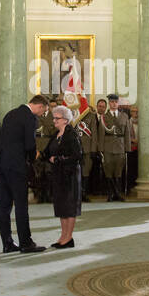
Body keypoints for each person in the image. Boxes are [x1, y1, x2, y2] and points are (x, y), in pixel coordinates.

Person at [0, 94, 48, 254]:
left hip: (1, 163)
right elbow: (30, 144)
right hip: (16, 166)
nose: (42, 114)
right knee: (21, 205)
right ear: (39, 106)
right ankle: (25, 242)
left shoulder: (10, 113)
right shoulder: (30, 118)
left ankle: (7, 243)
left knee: (4, 205)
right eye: (43, 111)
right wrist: (33, 158)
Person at [47, 105, 83, 248]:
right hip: (59, 175)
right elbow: (47, 152)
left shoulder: (71, 134)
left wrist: (58, 159)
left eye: (57, 118)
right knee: (61, 207)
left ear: (66, 120)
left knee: (69, 207)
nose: (54, 120)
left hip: (70, 176)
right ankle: (63, 236)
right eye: (54, 118)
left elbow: (77, 156)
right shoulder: (55, 135)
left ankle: (69, 238)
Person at [99, 96, 128, 201]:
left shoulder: (124, 116)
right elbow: (101, 134)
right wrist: (101, 149)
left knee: (118, 171)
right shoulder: (104, 117)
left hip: (120, 146)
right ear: (109, 103)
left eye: (116, 102)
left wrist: (127, 148)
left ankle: (118, 194)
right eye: (112, 102)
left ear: (118, 103)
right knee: (108, 171)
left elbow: (127, 133)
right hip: (108, 147)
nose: (114, 104)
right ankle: (110, 194)